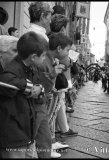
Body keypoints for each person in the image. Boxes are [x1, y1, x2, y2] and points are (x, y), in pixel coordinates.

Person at [0, 31, 47, 158]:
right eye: (14, 50)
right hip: (13, 134)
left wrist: (39, 89)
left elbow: (41, 86)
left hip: (26, 131)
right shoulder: (13, 67)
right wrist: (29, 88)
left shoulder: (30, 67)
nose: (17, 54)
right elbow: (5, 81)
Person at [27, 2, 59, 158]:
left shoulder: (36, 35)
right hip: (36, 95)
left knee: (43, 139)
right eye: (50, 15)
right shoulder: (37, 37)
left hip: (38, 94)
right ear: (42, 16)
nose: (51, 20)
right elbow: (40, 69)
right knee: (35, 140)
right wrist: (54, 70)